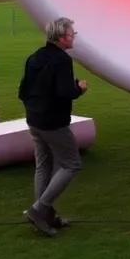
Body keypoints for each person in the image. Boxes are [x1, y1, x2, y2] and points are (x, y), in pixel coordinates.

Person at [18, 17, 88, 237]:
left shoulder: (34, 57)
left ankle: (46, 214)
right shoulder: (62, 61)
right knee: (71, 164)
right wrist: (80, 88)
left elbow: (23, 91)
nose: (74, 37)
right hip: (53, 123)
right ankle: (39, 210)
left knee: (44, 165)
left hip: (34, 120)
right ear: (60, 37)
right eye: (71, 34)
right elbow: (65, 92)